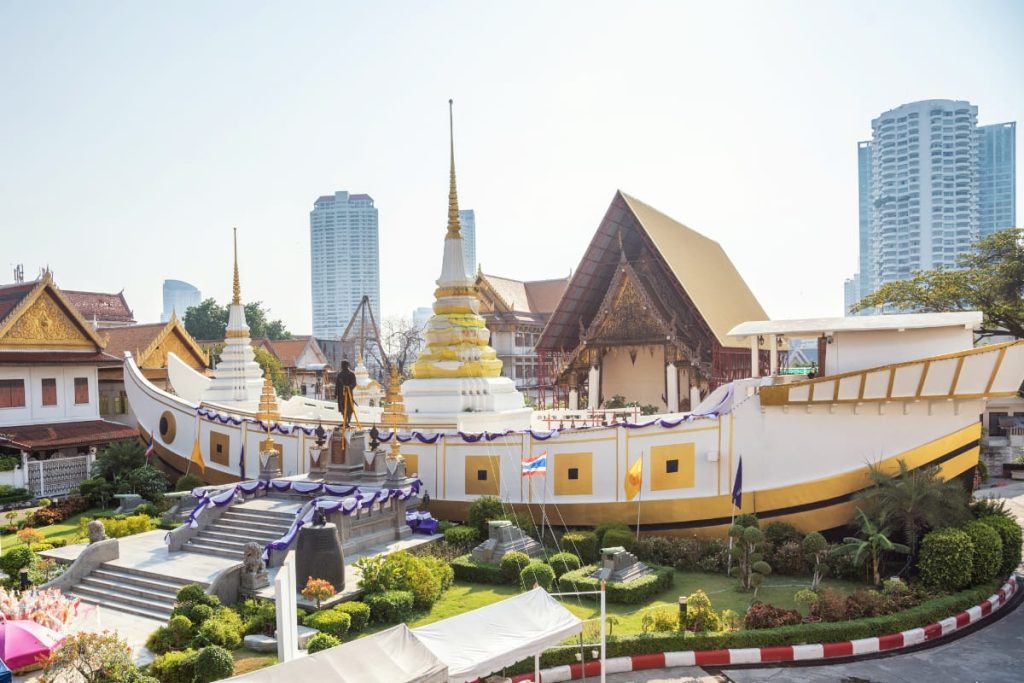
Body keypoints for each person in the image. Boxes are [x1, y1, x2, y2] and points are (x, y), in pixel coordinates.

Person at [335, 360, 357, 427]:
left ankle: (348, 422)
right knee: (342, 408)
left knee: (349, 409)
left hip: (348, 395)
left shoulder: (351, 374)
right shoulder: (339, 374)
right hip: (341, 395)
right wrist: (335, 393)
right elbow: (337, 384)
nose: (342, 366)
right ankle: (345, 421)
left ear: (347, 365)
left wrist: (348, 387)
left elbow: (354, 383)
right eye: (342, 365)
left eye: (344, 365)